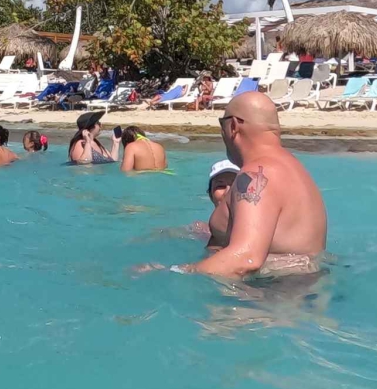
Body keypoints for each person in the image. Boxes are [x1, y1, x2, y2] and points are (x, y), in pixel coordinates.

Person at [139, 92, 326, 277]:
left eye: (222, 124)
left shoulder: (258, 174)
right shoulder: (294, 169)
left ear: (233, 126)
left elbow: (245, 259)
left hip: (266, 301)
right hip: (294, 296)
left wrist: (171, 271)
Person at [192, 159, 240, 248]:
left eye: (235, 185)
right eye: (220, 186)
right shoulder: (199, 230)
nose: (227, 192)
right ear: (210, 194)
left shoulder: (265, 233)